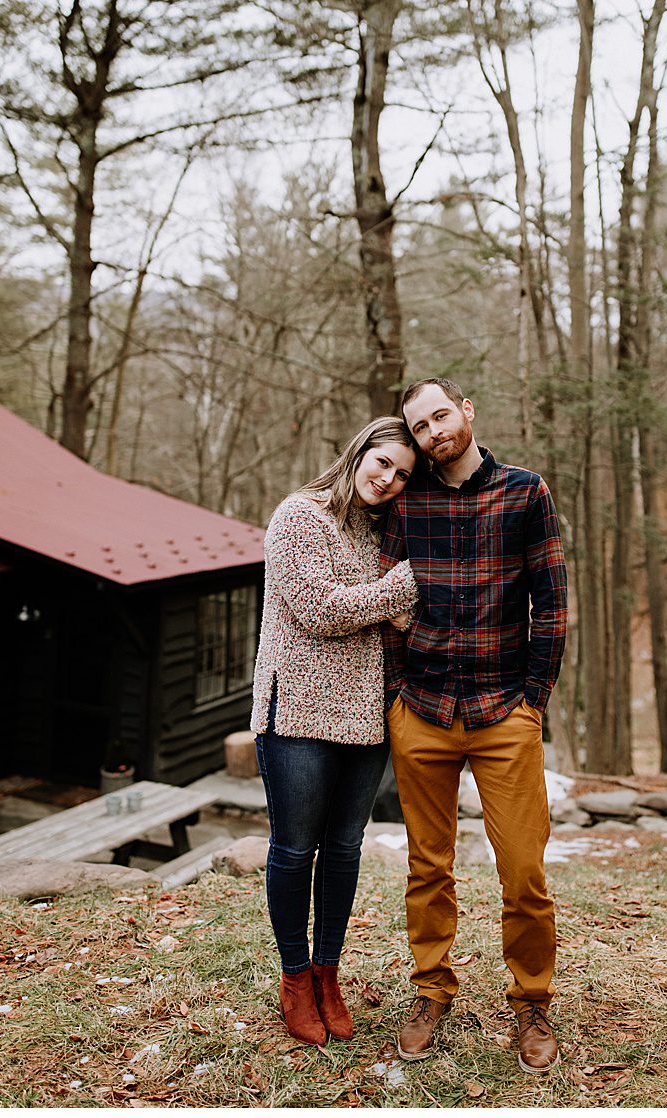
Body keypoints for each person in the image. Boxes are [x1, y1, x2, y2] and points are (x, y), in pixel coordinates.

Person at [380, 377, 567, 1075]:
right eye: (419, 427)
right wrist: (398, 691)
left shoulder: (525, 492)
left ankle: (532, 1001)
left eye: (440, 416)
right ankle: (431, 991)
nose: (433, 433)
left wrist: (533, 700)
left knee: (523, 870)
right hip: (422, 711)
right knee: (428, 867)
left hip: (503, 712)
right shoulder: (407, 500)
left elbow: (551, 602)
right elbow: (388, 597)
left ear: (466, 411)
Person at [251, 417, 422, 1045]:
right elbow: (320, 611)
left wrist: (382, 599)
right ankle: (295, 977)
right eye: (382, 463)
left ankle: (328, 972)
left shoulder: (383, 532)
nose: (388, 480)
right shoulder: (301, 516)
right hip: (296, 710)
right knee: (296, 847)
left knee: (345, 849)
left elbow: (398, 623)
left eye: (403, 475)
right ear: (359, 454)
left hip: (367, 714)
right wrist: (398, 587)